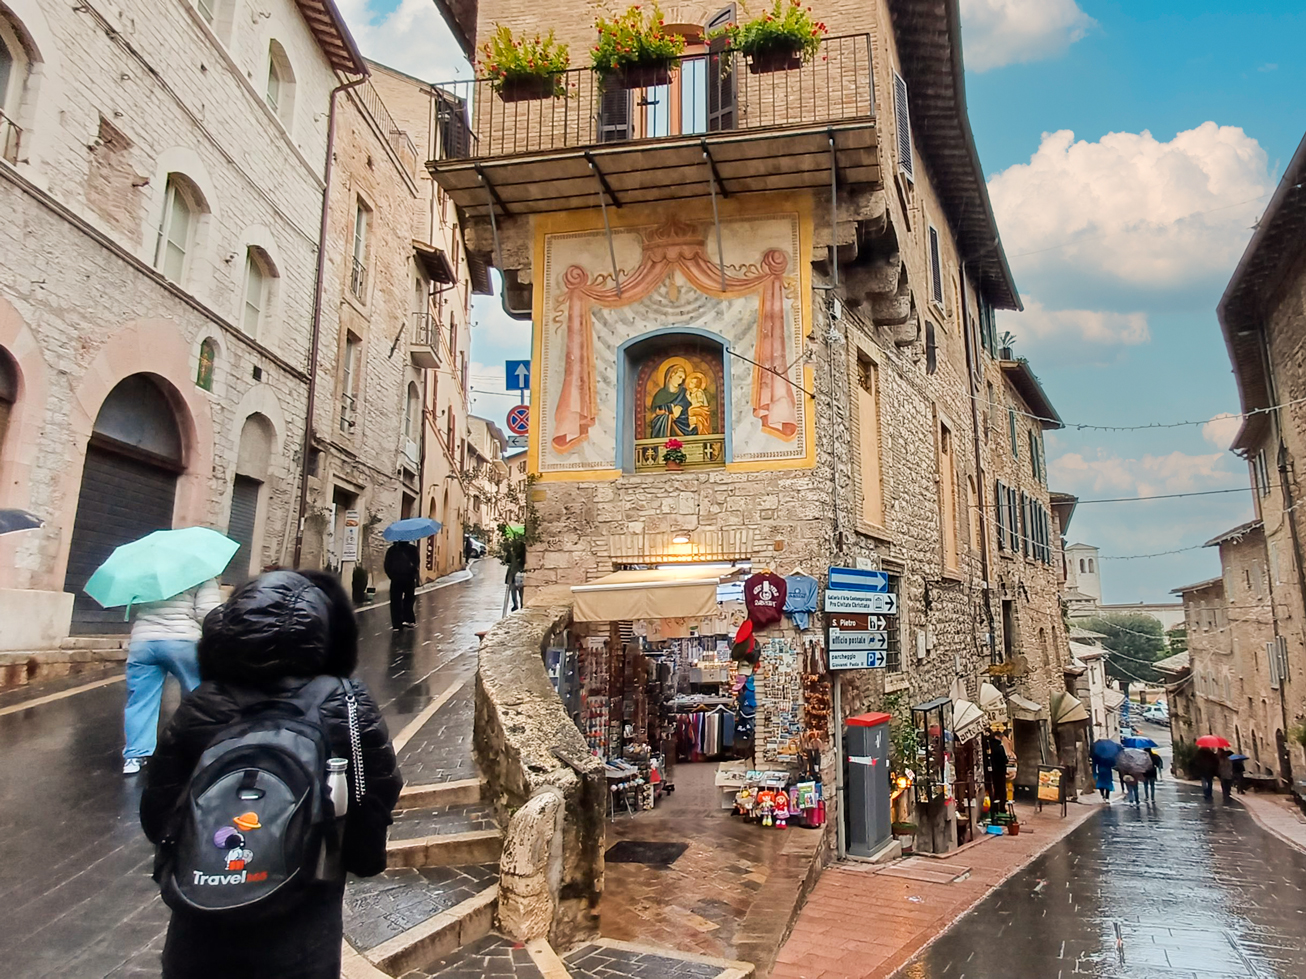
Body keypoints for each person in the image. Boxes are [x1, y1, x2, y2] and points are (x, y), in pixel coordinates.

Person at [140, 570, 402, 979]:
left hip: (203, 912)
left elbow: (158, 808)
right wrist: (363, 858)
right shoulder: (344, 699)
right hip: (303, 912)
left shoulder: (204, 702)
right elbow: (374, 792)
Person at [122, 578, 222, 775]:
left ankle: (134, 756)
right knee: (197, 695)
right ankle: (196, 748)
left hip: (143, 642)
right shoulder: (200, 572)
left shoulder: (145, 571)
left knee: (140, 700)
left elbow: (133, 607)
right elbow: (207, 611)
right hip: (182, 641)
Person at [383, 539, 419, 630]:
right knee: (409, 600)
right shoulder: (412, 549)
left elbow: (387, 565)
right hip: (409, 578)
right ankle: (409, 619)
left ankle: (397, 623)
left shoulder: (392, 550)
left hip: (396, 579)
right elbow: (416, 563)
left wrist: (391, 575)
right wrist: (413, 574)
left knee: (395, 602)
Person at [504, 535, 526, 611]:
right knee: (519, 592)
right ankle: (519, 605)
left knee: (515, 592)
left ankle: (517, 605)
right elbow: (507, 561)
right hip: (518, 575)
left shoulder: (517, 554)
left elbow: (507, 561)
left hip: (515, 575)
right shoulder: (521, 554)